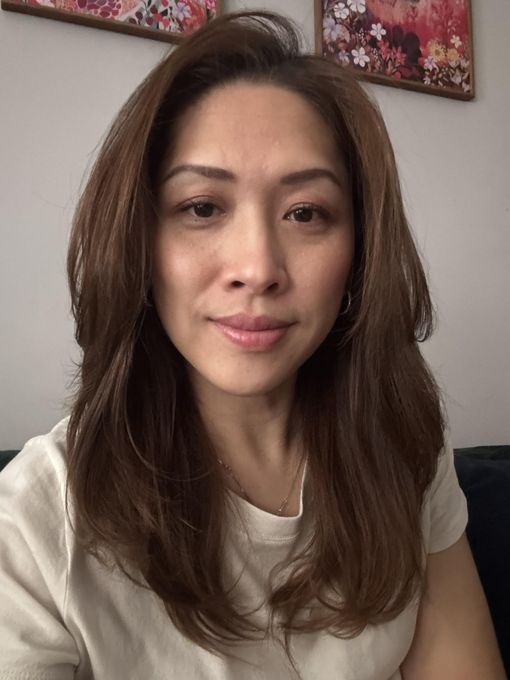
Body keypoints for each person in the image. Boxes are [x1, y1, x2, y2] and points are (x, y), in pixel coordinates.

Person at [0, 10, 505, 680]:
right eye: (202, 208)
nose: (258, 266)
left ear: (360, 251)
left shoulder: (404, 444)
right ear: (139, 240)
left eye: (306, 213)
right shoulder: (32, 527)